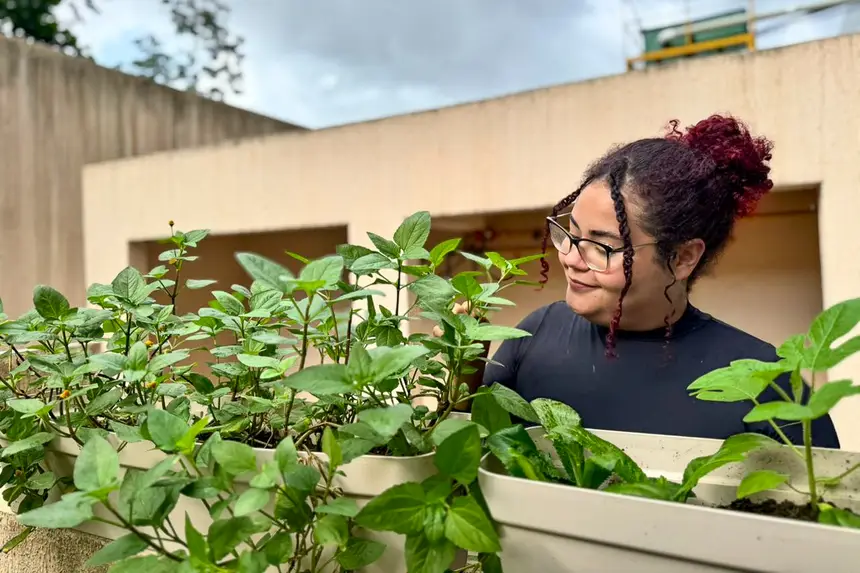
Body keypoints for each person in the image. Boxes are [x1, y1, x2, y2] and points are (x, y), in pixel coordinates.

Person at [481, 114, 840, 448]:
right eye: (571, 234)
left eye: (603, 247)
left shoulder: (766, 384)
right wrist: (463, 366)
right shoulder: (536, 334)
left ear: (682, 257)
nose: (572, 259)